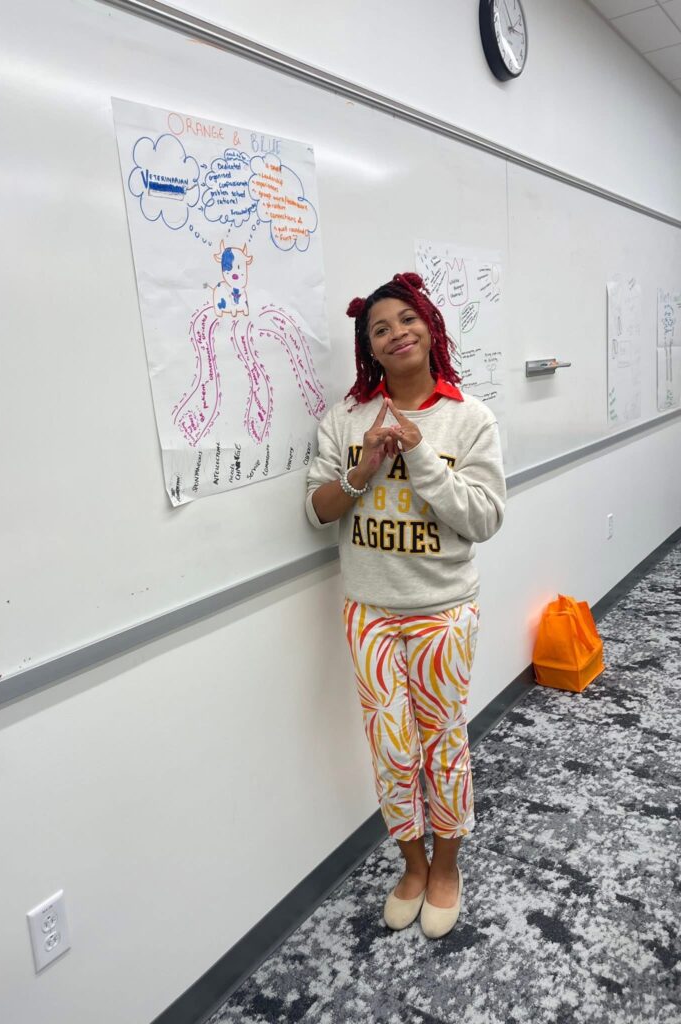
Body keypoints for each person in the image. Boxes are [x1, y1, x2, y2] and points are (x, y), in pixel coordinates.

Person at [305, 271, 505, 938]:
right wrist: (361, 470)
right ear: (369, 348)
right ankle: (412, 864)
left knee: (443, 743)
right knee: (392, 749)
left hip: (443, 606)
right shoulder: (346, 419)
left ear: (430, 326)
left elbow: (482, 518)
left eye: (406, 320)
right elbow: (317, 511)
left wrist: (421, 459)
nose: (396, 334)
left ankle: (447, 866)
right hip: (369, 609)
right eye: (380, 329)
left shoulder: (469, 418)